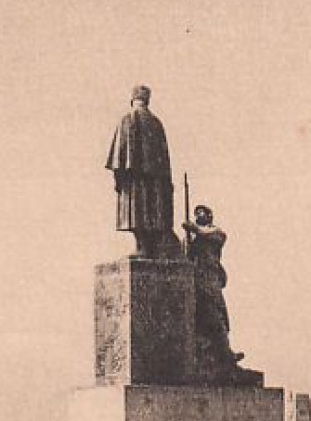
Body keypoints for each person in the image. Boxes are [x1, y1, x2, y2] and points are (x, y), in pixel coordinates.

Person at [106, 85, 179, 258]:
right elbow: (165, 160)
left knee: (137, 212)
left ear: (132, 99)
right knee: (152, 212)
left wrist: (118, 180)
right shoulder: (157, 123)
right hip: (156, 183)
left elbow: (119, 158)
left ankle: (141, 247)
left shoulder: (127, 119)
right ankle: (149, 248)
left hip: (134, 181)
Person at [183, 204, 253, 380]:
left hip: (211, 279)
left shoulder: (215, 233)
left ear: (209, 216)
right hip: (194, 279)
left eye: (202, 213)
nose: (199, 215)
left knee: (218, 314)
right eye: (196, 214)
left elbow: (210, 236)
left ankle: (226, 353)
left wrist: (194, 229)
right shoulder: (191, 237)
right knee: (198, 317)